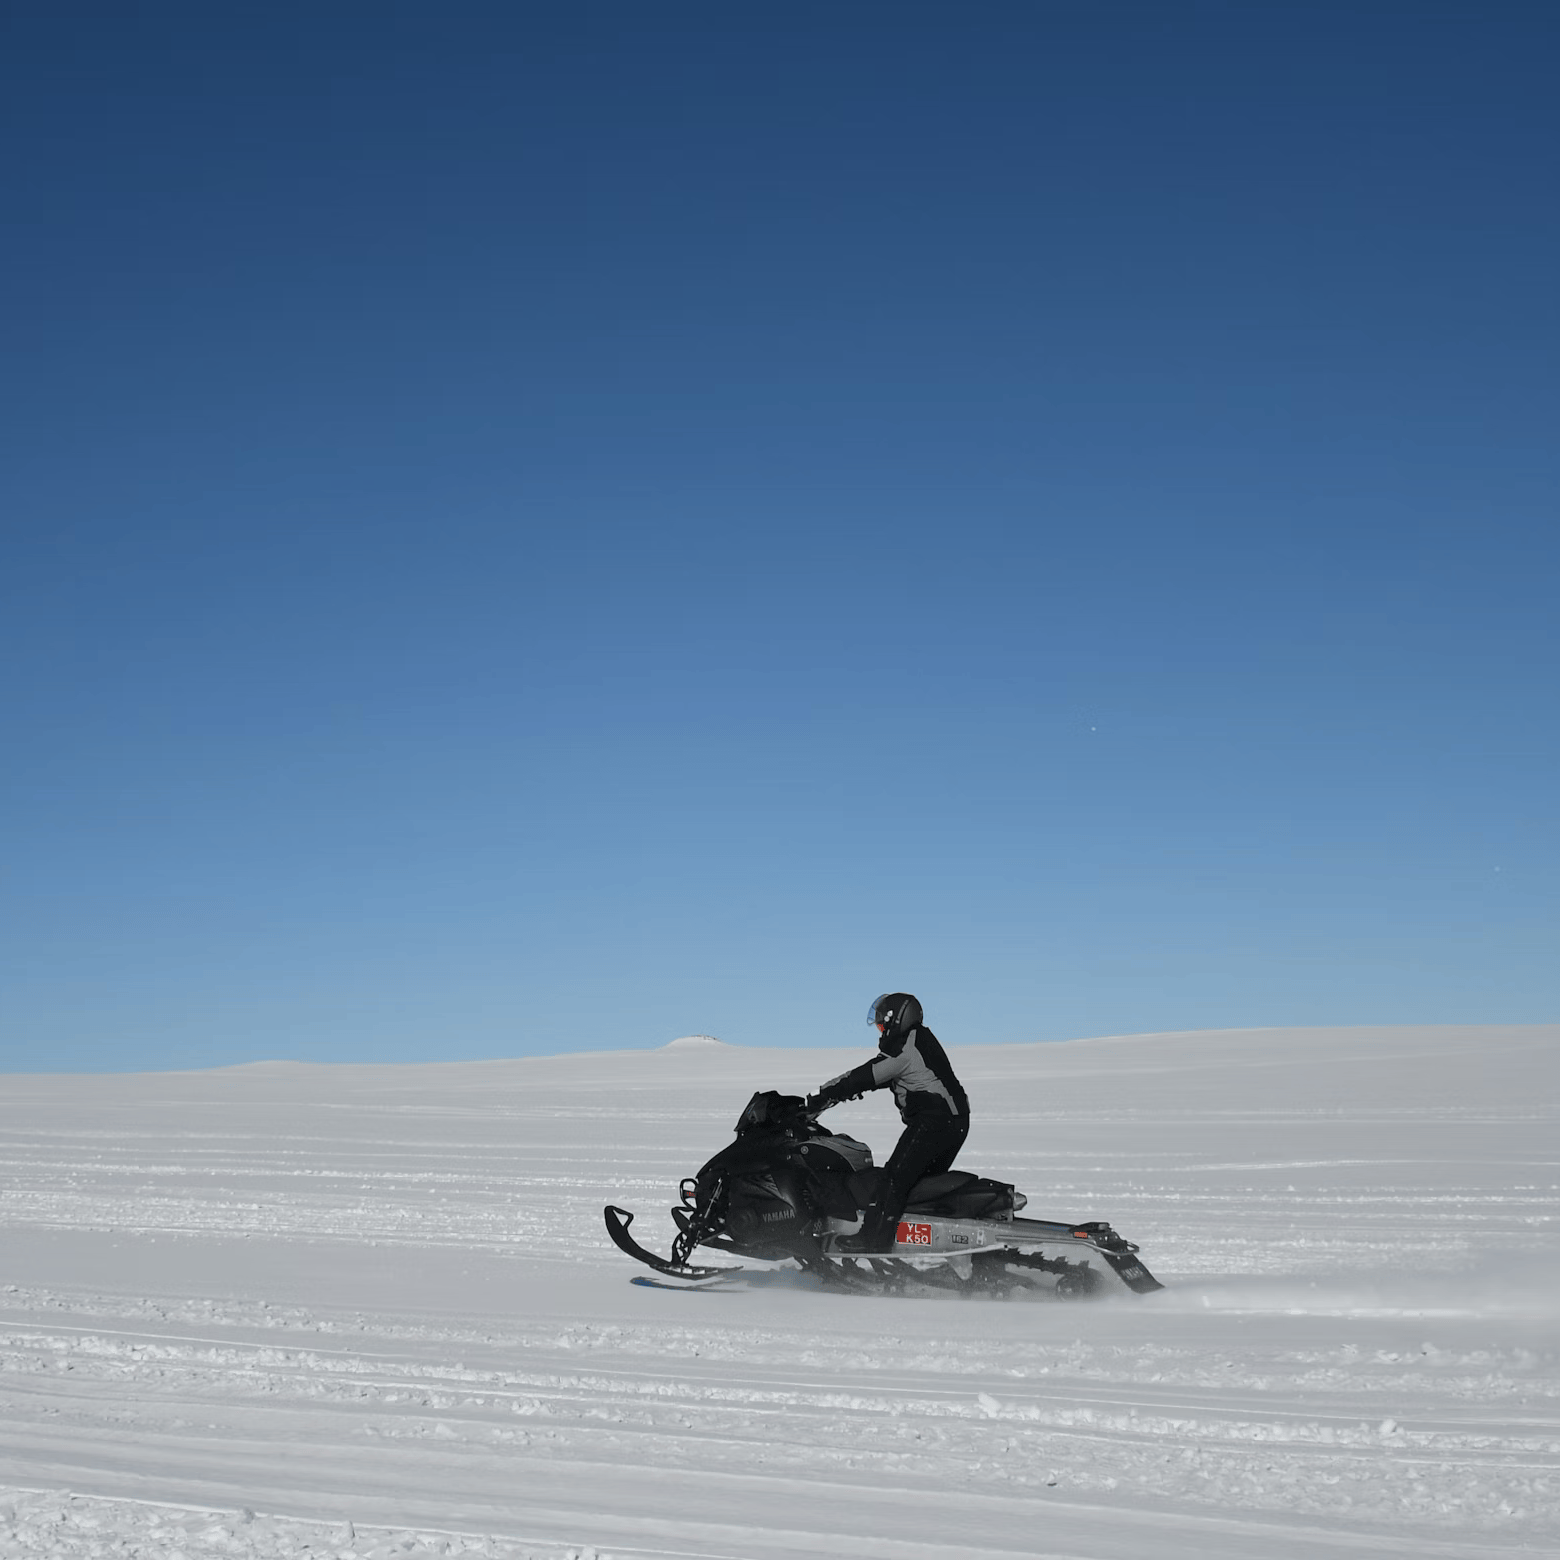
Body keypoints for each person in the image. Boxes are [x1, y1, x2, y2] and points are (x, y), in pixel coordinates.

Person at [806, 992, 970, 1252]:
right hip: (952, 1124)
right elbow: (888, 1078)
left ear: (899, 1019)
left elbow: (867, 1075)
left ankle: (873, 1241)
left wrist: (822, 1095)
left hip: (934, 1123)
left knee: (894, 1178)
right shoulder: (917, 1042)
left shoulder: (904, 1047)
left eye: (883, 1022)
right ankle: (916, 1244)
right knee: (918, 1189)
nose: (881, 1029)